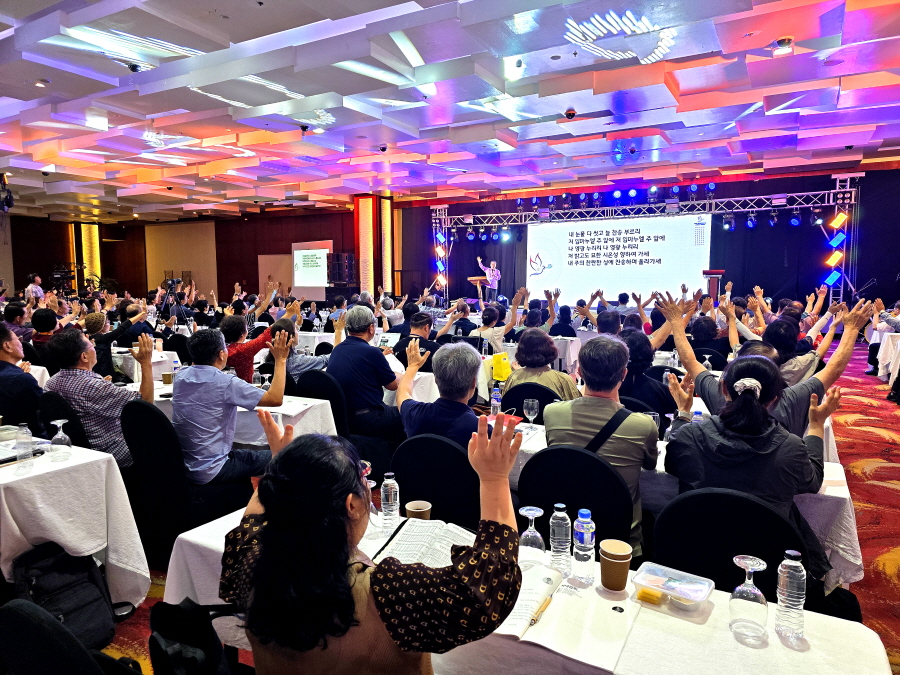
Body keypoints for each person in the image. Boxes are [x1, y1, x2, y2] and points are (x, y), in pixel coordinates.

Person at [219, 412, 523, 675]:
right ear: (351, 504)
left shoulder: (250, 562)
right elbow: (485, 590)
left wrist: (282, 468)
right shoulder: (388, 594)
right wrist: (494, 478)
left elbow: (252, 522)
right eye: (363, 476)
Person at [664, 355, 837, 580]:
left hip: (693, 553)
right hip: (765, 564)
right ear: (776, 398)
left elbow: (672, 463)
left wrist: (683, 414)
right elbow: (812, 482)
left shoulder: (689, 435)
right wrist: (816, 427)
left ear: (723, 389)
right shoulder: (790, 447)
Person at [655, 293, 871, 437]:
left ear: (724, 386)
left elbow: (690, 361)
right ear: (777, 392)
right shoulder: (791, 404)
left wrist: (676, 322)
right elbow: (833, 369)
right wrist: (850, 330)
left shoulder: (716, 403)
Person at [542, 335, 657, 555]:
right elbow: (650, 466)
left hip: (565, 529)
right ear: (624, 374)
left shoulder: (552, 413)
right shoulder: (643, 425)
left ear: (580, 372)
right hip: (620, 539)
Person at [172, 328, 291, 484]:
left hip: (184, 465)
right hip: (213, 468)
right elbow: (275, 399)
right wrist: (281, 360)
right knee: (285, 456)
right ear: (222, 354)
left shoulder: (180, 376)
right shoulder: (226, 383)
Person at [44, 332, 156, 474]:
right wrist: (146, 363)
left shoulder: (51, 383)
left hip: (78, 450)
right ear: (84, 356)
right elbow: (145, 404)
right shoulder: (94, 387)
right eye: (91, 345)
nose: (94, 347)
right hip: (111, 452)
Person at [326, 305, 404, 443]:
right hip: (368, 418)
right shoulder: (372, 352)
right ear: (371, 328)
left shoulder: (337, 350)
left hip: (342, 418)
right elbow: (392, 385)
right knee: (409, 413)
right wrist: (406, 374)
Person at [398, 340, 482, 448]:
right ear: (473, 383)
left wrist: (413, 367)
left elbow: (402, 392)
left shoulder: (414, 414)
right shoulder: (482, 431)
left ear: (436, 379)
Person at [222, 301, 298, 382]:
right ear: (242, 334)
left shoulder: (221, 348)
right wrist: (289, 314)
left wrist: (229, 317)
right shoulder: (244, 349)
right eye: (247, 328)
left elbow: (231, 327)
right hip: (244, 386)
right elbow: (269, 331)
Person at [618, 329, 676, 425]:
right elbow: (672, 424)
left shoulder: (605, 390)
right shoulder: (663, 391)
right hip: (654, 434)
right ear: (649, 354)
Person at [504, 328, 581, 401]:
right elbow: (576, 406)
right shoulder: (563, 380)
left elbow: (505, 404)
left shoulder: (513, 378)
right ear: (550, 349)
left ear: (520, 351)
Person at [267, 313, 346, 383]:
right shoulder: (298, 361)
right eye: (296, 330)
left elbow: (290, 335)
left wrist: (297, 325)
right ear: (292, 337)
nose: (298, 332)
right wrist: (338, 331)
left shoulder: (269, 356)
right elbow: (330, 359)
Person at [0, 323, 44, 436]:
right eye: (18, 339)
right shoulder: (20, 379)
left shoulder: (17, 376)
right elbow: (46, 410)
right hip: (24, 437)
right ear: (7, 346)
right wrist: (21, 377)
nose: (21, 343)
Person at [85, 310, 140, 379]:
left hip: (88, 374)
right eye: (107, 322)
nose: (109, 323)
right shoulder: (104, 338)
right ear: (101, 326)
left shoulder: (84, 336)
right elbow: (124, 326)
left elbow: (92, 321)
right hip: (105, 375)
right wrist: (142, 313)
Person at [472, 287, 525, 352]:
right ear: (494, 321)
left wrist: (480, 297)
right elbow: (513, 322)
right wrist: (515, 305)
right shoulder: (496, 332)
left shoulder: (473, 332)